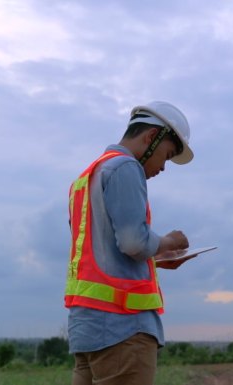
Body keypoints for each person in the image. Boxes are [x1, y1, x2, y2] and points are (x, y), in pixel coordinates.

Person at [65, 101, 194, 385]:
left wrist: (156, 258)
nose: (163, 167)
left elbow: (104, 254)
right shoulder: (125, 167)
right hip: (122, 329)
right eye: (167, 155)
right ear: (150, 138)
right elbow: (134, 244)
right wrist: (169, 241)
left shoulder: (85, 179)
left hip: (87, 330)